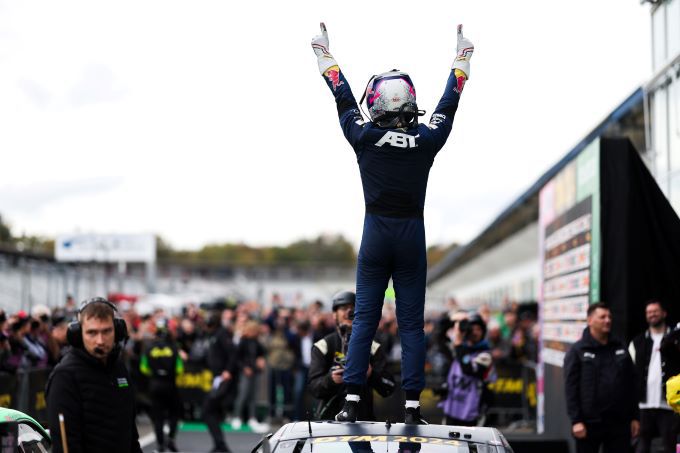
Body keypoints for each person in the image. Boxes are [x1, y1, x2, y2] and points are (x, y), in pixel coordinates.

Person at [311, 22, 474, 423]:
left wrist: (323, 53)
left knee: (365, 317)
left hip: (376, 232)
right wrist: (463, 57)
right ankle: (413, 408)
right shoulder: (426, 140)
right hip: (411, 235)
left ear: (378, 103)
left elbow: (342, 94)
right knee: (411, 325)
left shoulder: (364, 136)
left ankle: (350, 402)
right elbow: (449, 101)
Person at [45, 297, 142, 453]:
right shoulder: (65, 376)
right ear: (78, 334)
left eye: (106, 331)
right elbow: (66, 445)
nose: (100, 340)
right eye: (92, 333)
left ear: (117, 331)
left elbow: (131, 435)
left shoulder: (119, 368)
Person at [564, 302, 640, 453]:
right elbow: (570, 388)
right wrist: (576, 420)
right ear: (590, 320)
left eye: (609, 317)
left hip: (619, 423)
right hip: (588, 423)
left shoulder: (620, 347)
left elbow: (631, 384)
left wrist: (634, 417)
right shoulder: (578, 350)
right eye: (602, 317)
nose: (607, 320)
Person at [307, 291, 395, 421]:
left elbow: (389, 387)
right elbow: (313, 387)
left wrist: (371, 374)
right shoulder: (323, 346)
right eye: (343, 308)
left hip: (363, 421)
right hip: (328, 423)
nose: (349, 312)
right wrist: (331, 380)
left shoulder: (373, 347)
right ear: (334, 314)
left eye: (354, 308)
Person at [629, 300, 679, 453]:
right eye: (648, 312)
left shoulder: (676, 339)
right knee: (641, 446)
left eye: (655, 311)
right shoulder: (637, 342)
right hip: (643, 406)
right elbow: (629, 375)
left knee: (669, 446)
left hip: (669, 405)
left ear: (664, 313)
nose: (652, 314)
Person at [438, 312, 494, 426]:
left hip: (472, 412)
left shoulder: (485, 355)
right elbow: (439, 337)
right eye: (471, 329)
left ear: (483, 332)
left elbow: (468, 369)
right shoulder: (458, 349)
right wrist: (453, 318)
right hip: (452, 409)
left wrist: (458, 344)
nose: (475, 332)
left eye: (478, 329)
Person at [140, 317, 184, 452]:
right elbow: (179, 369)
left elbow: (143, 368)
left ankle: (160, 445)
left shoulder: (149, 347)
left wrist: (155, 374)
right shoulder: (174, 347)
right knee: (174, 413)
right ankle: (170, 439)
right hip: (170, 385)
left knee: (158, 416)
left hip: (155, 385)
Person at [202, 312, 237, 453]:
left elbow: (233, 353)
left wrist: (228, 370)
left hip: (222, 378)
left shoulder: (222, 334)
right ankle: (219, 444)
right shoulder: (213, 335)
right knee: (212, 411)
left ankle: (221, 445)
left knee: (207, 410)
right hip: (217, 377)